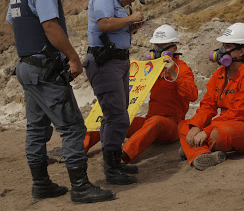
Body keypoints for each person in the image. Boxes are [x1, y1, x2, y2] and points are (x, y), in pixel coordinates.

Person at [6, 0, 114, 203]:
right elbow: (50, 26)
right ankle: (80, 187)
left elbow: (14, 23)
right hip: (45, 70)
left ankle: (41, 184)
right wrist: (73, 58)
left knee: (36, 128)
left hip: (27, 67)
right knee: (73, 127)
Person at [83, 25, 198, 164]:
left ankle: (121, 156)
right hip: (149, 121)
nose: (159, 49)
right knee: (114, 117)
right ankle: (80, 148)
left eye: (164, 46)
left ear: (174, 48)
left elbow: (193, 95)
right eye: (157, 45)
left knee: (156, 121)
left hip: (172, 125)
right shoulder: (152, 67)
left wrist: (174, 75)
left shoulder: (183, 69)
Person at [178, 23, 244, 170]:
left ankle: (194, 148)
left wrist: (207, 130)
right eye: (223, 45)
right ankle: (203, 154)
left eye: (228, 46)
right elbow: (207, 106)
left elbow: (240, 113)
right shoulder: (219, 74)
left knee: (218, 135)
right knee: (185, 125)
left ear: (242, 51)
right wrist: (196, 126)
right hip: (225, 123)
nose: (222, 50)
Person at [83, 0, 146, 185]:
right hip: (105, 62)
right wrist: (130, 19)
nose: (133, 0)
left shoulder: (118, 3)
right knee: (116, 115)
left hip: (118, 61)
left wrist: (132, 28)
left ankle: (115, 162)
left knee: (118, 114)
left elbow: (116, 29)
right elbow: (104, 24)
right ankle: (110, 168)